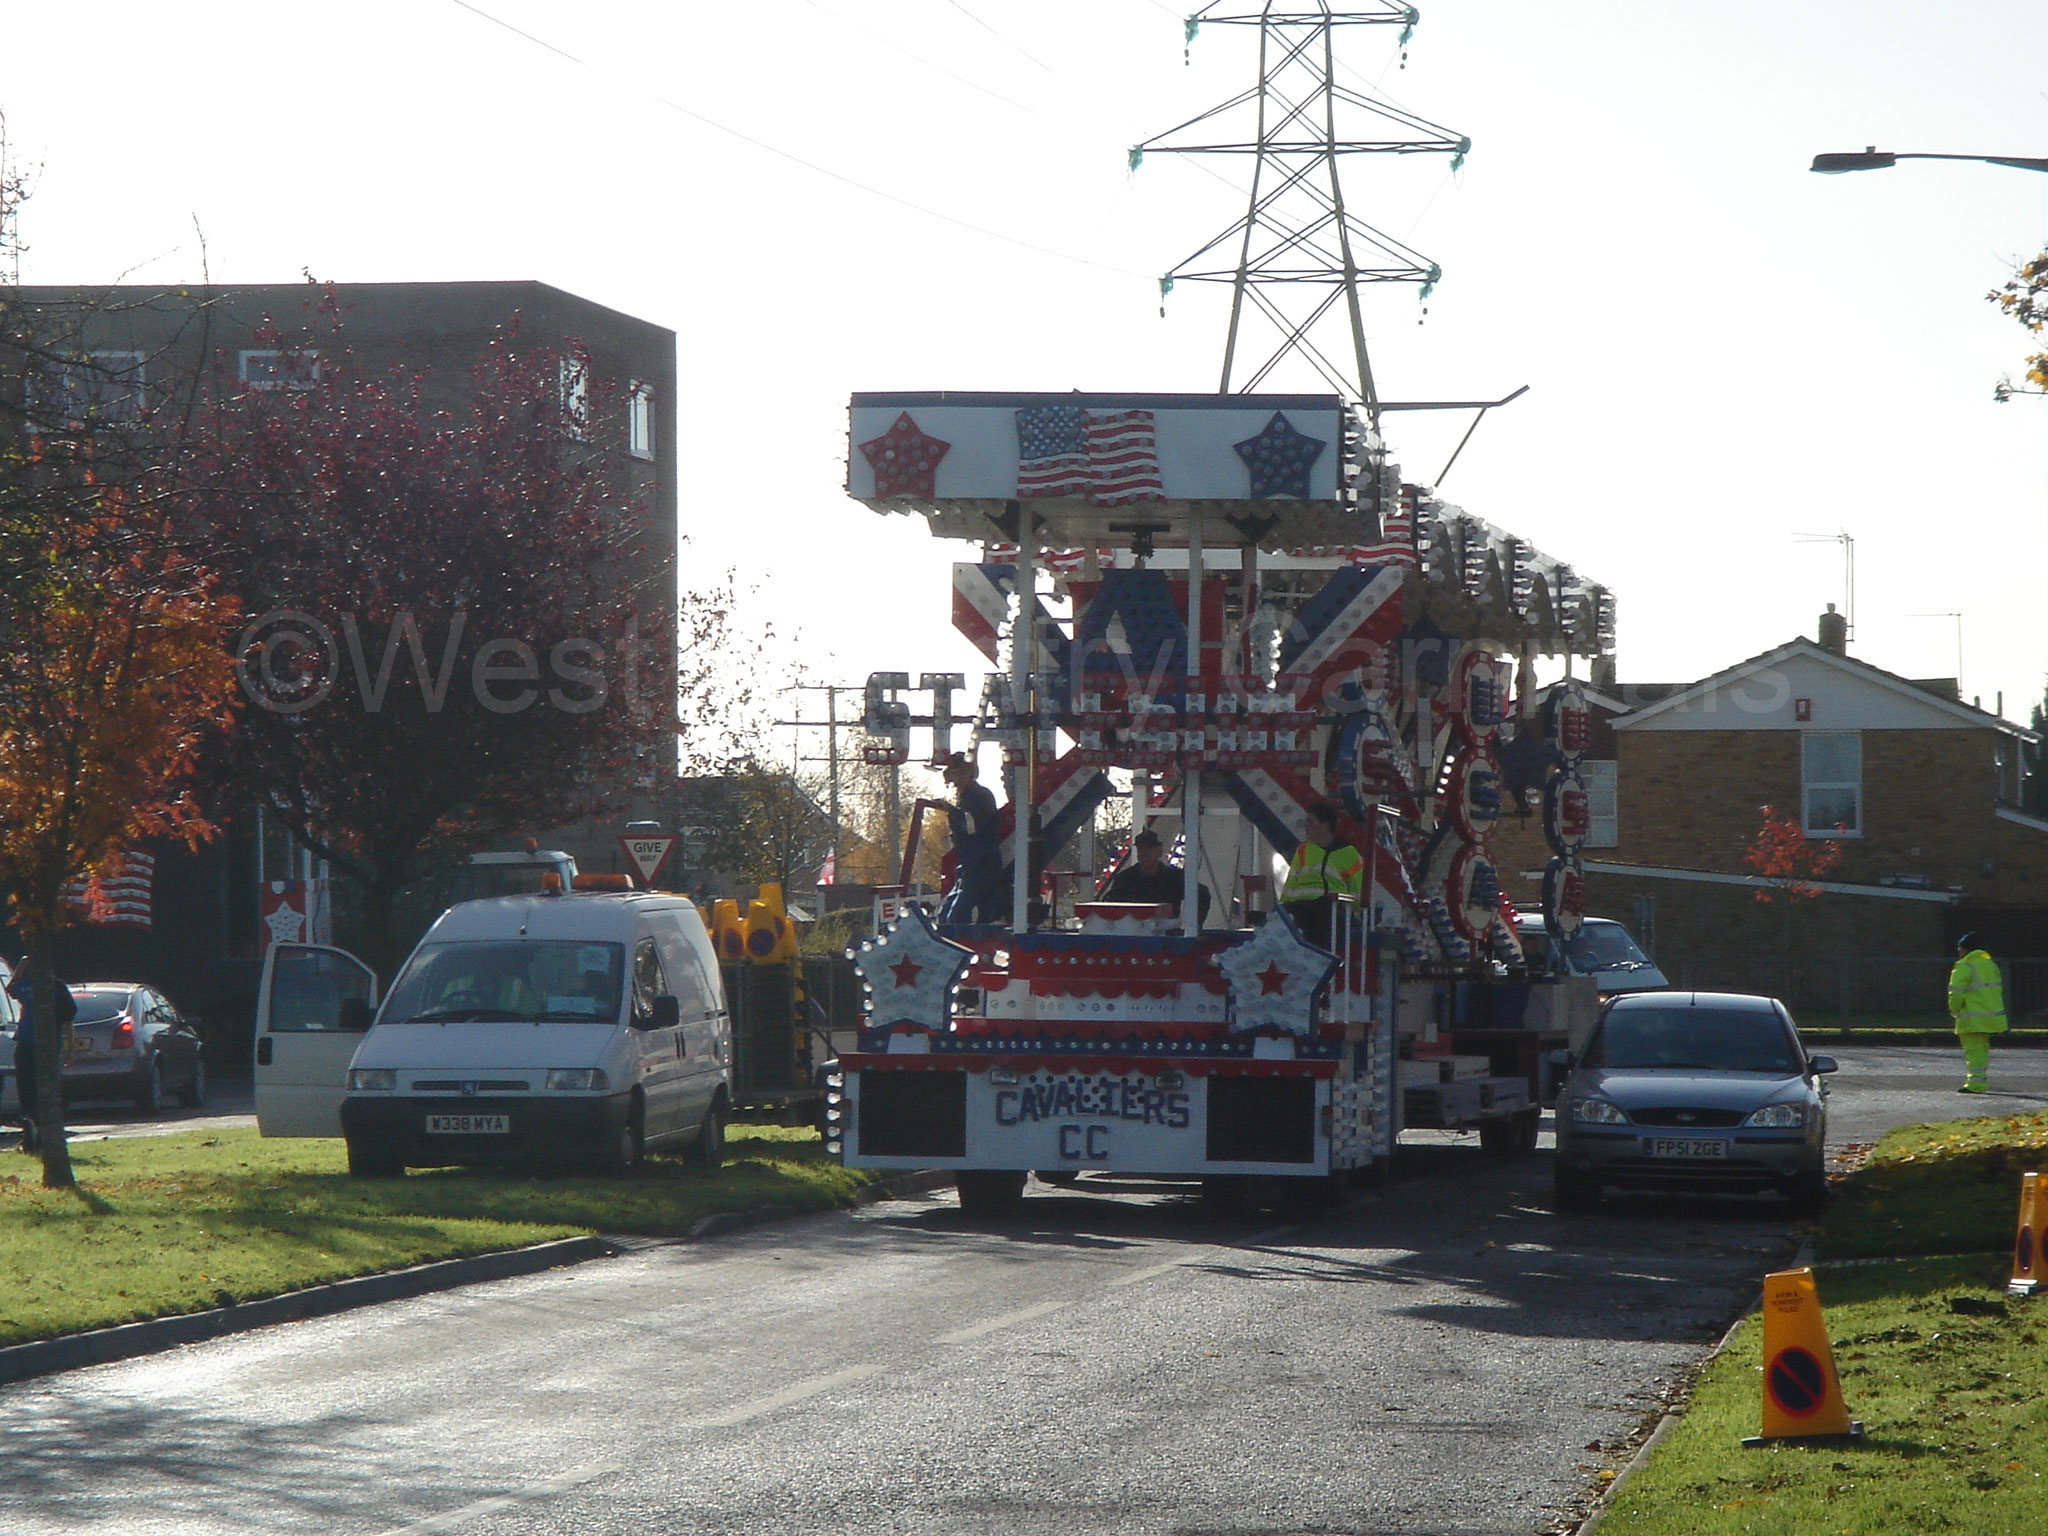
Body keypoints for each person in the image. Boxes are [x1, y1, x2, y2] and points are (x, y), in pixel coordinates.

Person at [6, 958, 77, 1153]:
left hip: (34, 1045)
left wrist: (21, 965)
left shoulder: (32, 986)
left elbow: (10, 988)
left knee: (31, 1091)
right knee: (39, 1091)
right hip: (43, 1045)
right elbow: (69, 1020)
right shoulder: (55, 988)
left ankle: (37, 1135)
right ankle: (36, 1135)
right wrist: (70, 1049)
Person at [1280, 803, 1365, 949]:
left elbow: (1357, 889)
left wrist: (1356, 915)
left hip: (1330, 909)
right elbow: (1291, 882)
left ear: (1325, 825)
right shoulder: (1303, 850)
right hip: (1300, 908)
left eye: (1310, 821)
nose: (1306, 826)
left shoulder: (1349, 854)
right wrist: (1281, 910)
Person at [938, 752, 1006, 927]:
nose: (959, 777)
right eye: (955, 773)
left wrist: (951, 810)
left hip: (983, 867)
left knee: (954, 919)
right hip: (969, 867)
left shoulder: (981, 796)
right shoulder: (965, 798)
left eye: (963, 772)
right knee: (945, 918)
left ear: (971, 772)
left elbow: (972, 827)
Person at [1102, 829, 1211, 924]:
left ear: (1160, 850)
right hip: (1133, 935)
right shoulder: (1125, 879)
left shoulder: (1174, 877)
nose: (1144, 854)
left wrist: (1193, 926)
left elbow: (1202, 894)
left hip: (1166, 937)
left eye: (1149, 849)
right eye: (1140, 849)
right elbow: (1108, 904)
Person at [1948, 931, 2008, 1094]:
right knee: (1981, 1051)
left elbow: (1955, 993)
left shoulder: (1964, 966)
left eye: (1960, 948)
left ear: (1966, 949)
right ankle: (1979, 1081)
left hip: (1970, 1017)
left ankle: (1975, 1084)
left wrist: (1954, 1010)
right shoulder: (1990, 965)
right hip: (1989, 1016)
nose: (1958, 951)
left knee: (1973, 1052)